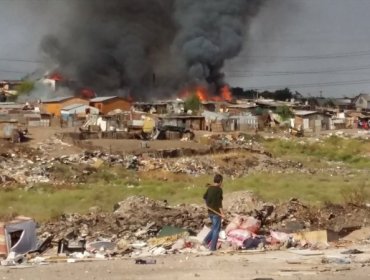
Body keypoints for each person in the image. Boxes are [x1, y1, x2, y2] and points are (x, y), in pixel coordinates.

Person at [203, 174, 224, 251]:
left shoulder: (209, 188)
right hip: (216, 213)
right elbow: (219, 204)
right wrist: (222, 213)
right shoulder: (219, 190)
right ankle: (212, 248)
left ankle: (205, 241)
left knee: (214, 227)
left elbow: (204, 198)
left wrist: (207, 205)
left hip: (210, 212)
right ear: (220, 181)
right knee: (216, 230)